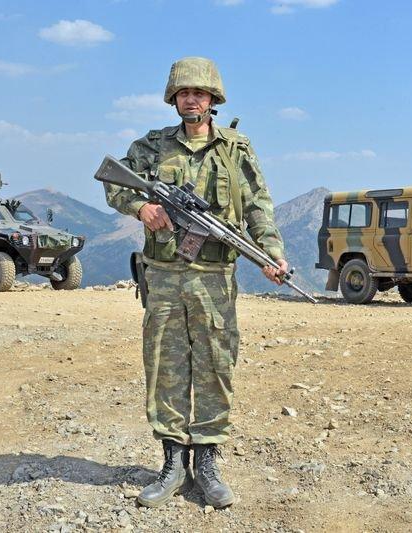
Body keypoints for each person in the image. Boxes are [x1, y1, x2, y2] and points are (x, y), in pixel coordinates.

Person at [103, 57, 287, 509]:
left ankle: (206, 463)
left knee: (214, 365)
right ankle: (170, 464)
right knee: (165, 366)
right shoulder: (150, 148)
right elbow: (113, 184)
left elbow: (258, 205)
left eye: (199, 93)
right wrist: (140, 208)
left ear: (213, 100)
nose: (191, 99)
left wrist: (271, 252)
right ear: (173, 99)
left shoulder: (235, 149)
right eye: (184, 93)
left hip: (215, 278)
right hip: (164, 275)